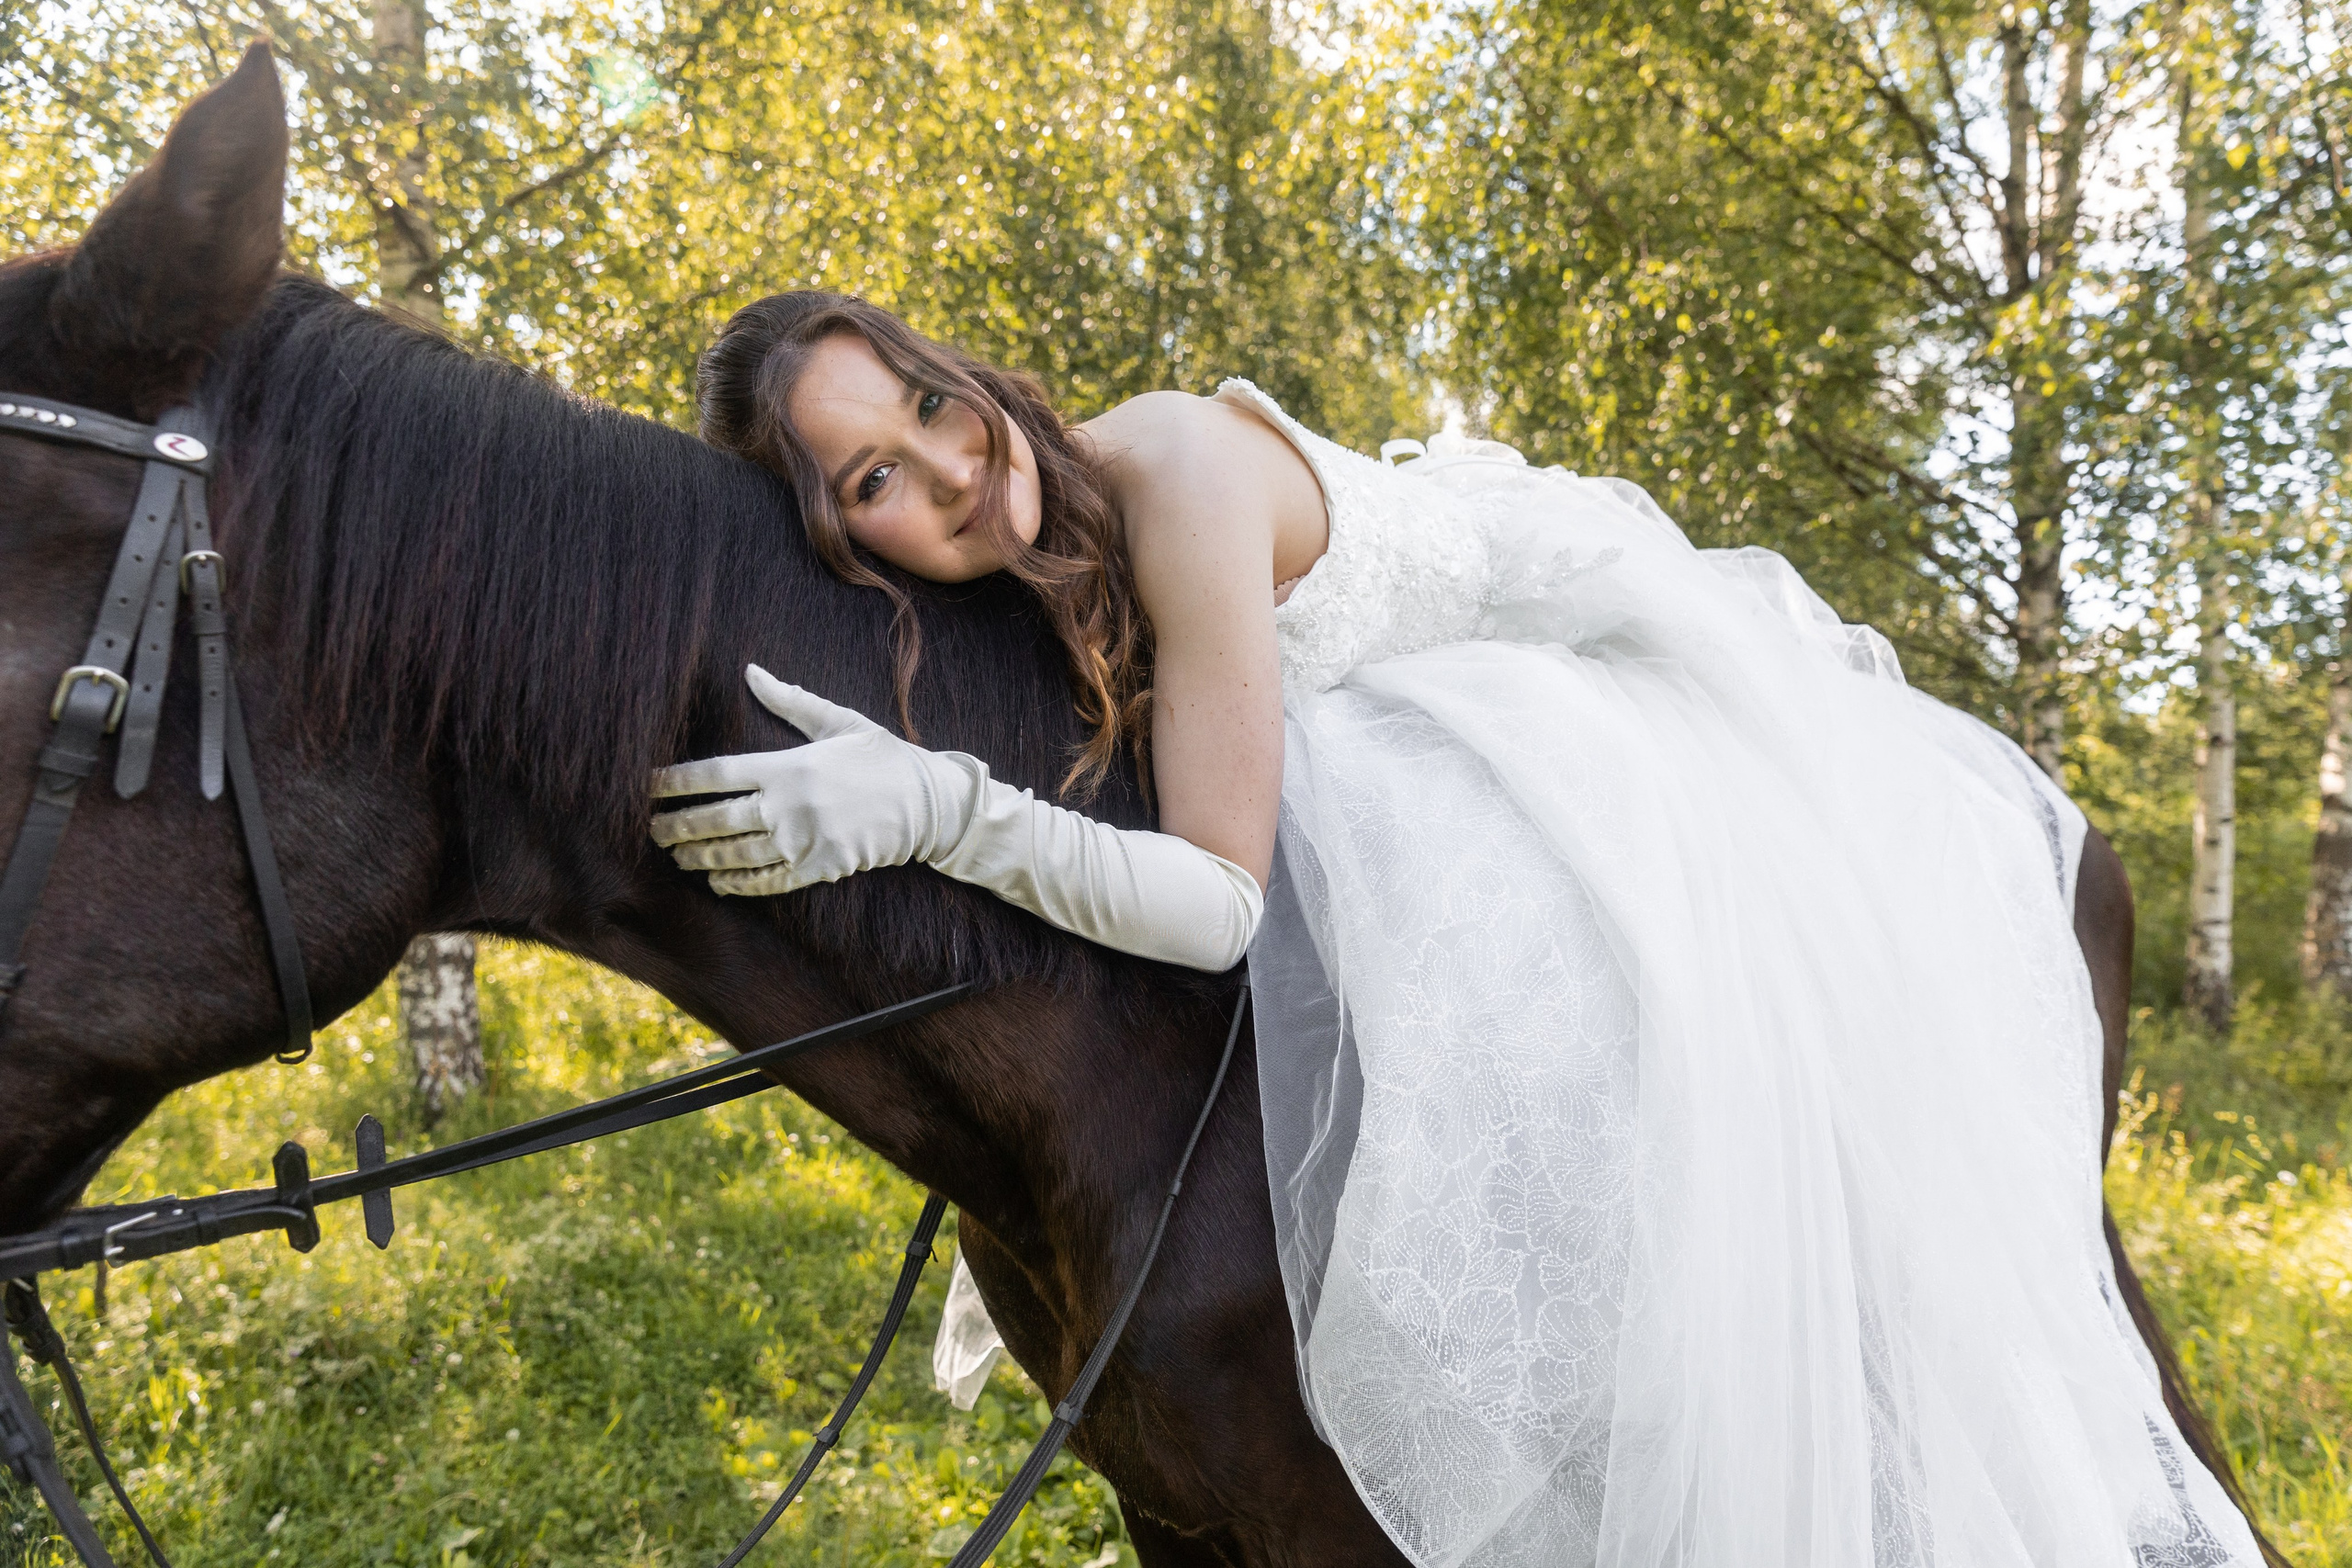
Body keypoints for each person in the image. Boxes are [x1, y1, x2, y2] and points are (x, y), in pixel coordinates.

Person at [649, 292, 2262, 1567]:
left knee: (1636, 1007)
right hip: (1352, 725)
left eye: (929, 405)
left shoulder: (1173, 476)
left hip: (1560, 668)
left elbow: (1215, 907)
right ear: (848, 542)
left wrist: (937, 811)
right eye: (876, 480)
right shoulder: (1005, 567)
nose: (946, 470)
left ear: (960, 370)